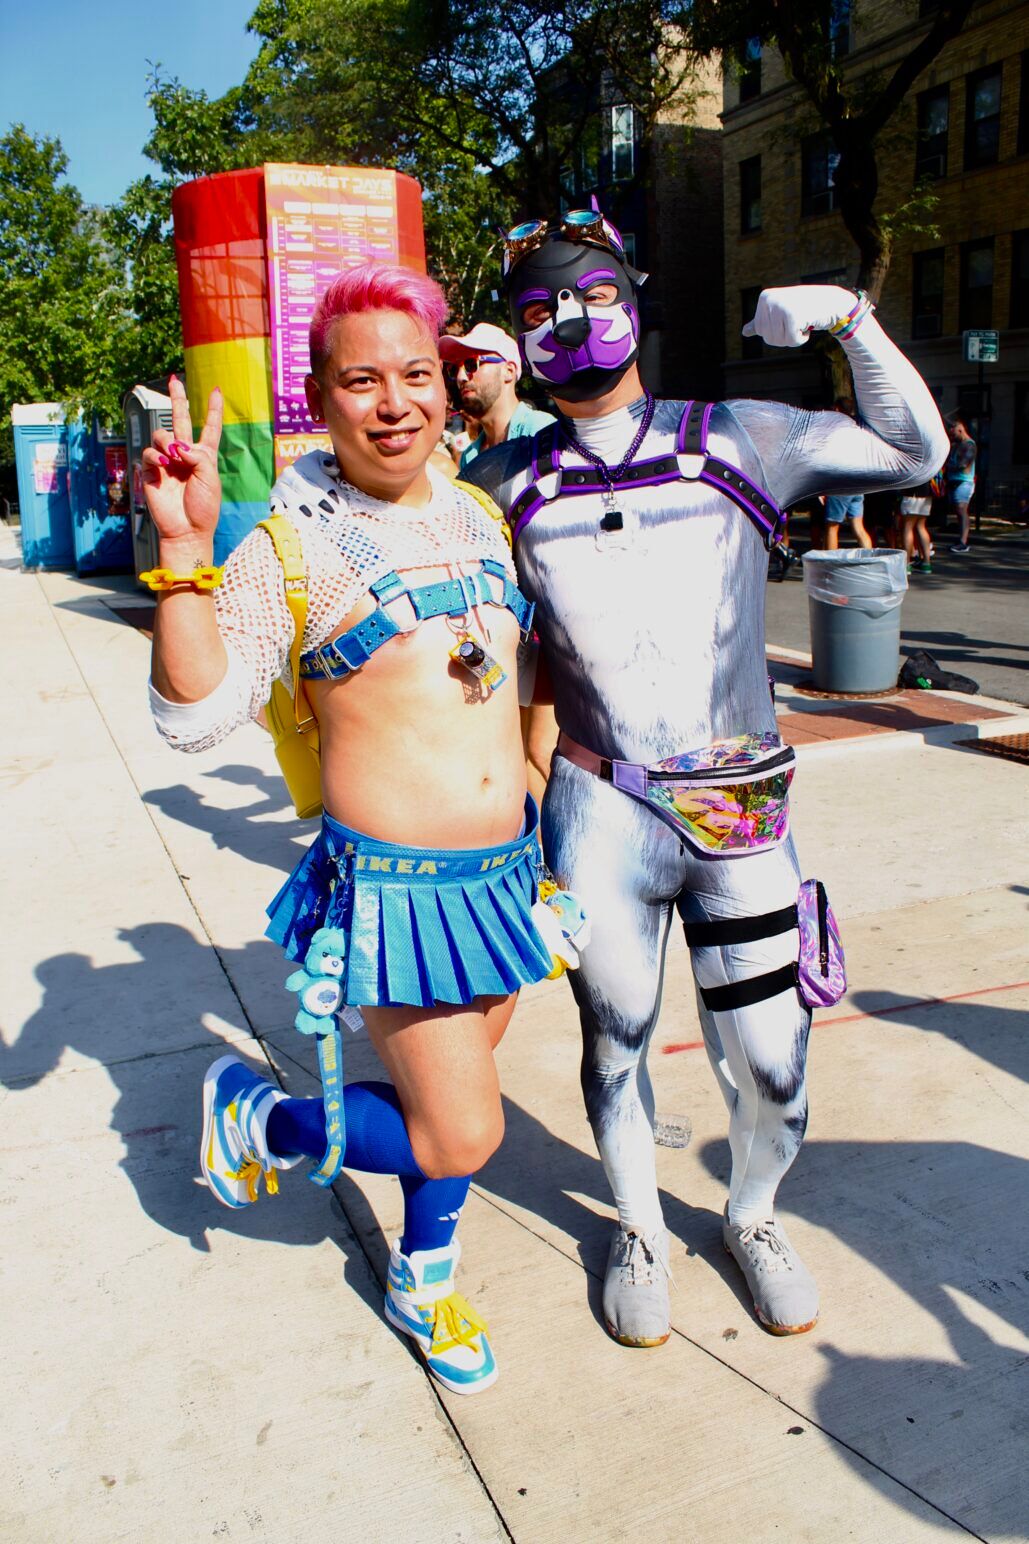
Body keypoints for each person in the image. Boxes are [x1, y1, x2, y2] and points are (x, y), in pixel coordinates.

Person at [465, 208, 948, 1346]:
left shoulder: (742, 433)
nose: (568, 325)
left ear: (633, 294)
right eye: (538, 311)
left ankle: (753, 1214)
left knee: (775, 1064)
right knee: (614, 1037)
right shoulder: (496, 482)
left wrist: (848, 320)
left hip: (737, 802)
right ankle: (637, 1223)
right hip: (598, 805)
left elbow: (916, 452)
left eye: (587, 297)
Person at [142, 264, 562, 1396]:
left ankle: (424, 1275)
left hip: (505, 875)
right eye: (361, 379)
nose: (396, 401)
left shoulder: (477, 511)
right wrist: (181, 560)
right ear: (319, 400)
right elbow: (191, 717)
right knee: (464, 1130)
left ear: (450, 384)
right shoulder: (290, 546)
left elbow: (524, 664)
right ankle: (266, 1119)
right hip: (396, 892)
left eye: (418, 373)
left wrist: (531, 769)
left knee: (446, 1105)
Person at [438, 322, 554, 474]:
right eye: (454, 369)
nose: (461, 377)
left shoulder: (541, 431)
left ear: (508, 371)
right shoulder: (470, 456)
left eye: (471, 364)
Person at [821, 399, 873, 550]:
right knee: (859, 528)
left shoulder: (836, 430)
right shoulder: (858, 429)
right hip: (858, 483)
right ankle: (869, 562)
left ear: (837, 409)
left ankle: (831, 566)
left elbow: (830, 459)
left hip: (840, 483)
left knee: (832, 527)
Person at [945, 415, 976, 553]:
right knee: (959, 511)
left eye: (953, 433)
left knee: (961, 509)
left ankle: (963, 541)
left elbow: (963, 464)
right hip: (954, 480)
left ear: (960, 429)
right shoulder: (956, 445)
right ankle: (961, 539)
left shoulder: (969, 444)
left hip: (964, 481)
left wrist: (948, 466)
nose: (952, 436)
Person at [899, 481, 935, 573]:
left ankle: (906, 564)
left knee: (908, 527)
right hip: (927, 492)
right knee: (921, 526)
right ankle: (926, 563)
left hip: (911, 492)